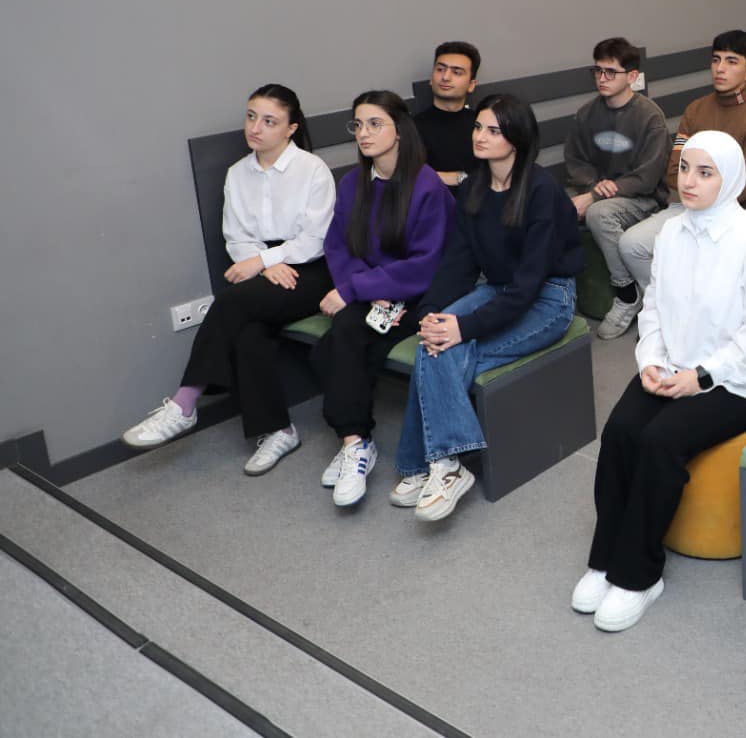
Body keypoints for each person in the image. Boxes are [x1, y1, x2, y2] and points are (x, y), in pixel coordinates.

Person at [575, 131, 746, 632]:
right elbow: (653, 306)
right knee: (619, 431)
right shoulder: (672, 232)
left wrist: (703, 377)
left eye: (705, 172)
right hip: (674, 364)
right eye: (684, 169)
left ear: (730, 178)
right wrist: (650, 360)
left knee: (660, 440)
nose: (688, 181)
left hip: (744, 379)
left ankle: (639, 576)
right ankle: (605, 558)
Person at [122, 85, 336, 473]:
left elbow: (315, 240)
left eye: (269, 121)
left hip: (312, 269)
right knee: (248, 330)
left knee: (231, 302)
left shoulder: (312, 169)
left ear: (291, 128)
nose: (255, 127)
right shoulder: (237, 174)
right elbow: (236, 237)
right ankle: (279, 430)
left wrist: (264, 260)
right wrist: (263, 265)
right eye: (251, 116)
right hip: (264, 269)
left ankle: (185, 402)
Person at [390, 95, 582, 522]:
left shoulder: (541, 190)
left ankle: (429, 463)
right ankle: (443, 464)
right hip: (498, 290)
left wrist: (463, 327)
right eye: (478, 127)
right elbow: (458, 263)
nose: (480, 136)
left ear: (517, 138)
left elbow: (528, 287)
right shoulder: (473, 187)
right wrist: (432, 311)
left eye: (493, 130)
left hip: (548, 298)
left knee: (448, 346)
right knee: (435, 340)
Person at [312, 90, 455, 507]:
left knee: (339, 341)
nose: (364, 133)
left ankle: (354, 442)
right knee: (334, 347)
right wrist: (365, 289)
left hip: (418, 298)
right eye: (358, 124)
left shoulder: (426, 186)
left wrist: (359, 290)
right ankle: (357, 441)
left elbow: (425, 265)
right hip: (371, 294)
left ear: (400, 130)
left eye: (375, 123)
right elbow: (338, 246)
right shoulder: (353, 183)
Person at [615, 30, 746, 330]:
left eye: (731, 61)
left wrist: (696, 190)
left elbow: (740, 189)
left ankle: (718, 321)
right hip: (690, 206)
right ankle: (673, 311)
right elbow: (673, 172)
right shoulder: (695, 110)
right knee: (631, 245)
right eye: (716, 60)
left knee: (717, 255)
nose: (720, 68)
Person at [563, 37, 670, 341]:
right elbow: (575, 160)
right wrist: (592, 185)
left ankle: (626, 294)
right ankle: (564, 298)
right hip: (601, 191)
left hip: (645, 198)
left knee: (598, 213)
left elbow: (647, 178)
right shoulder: (586, 114)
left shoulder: (650, 117)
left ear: (632, 77)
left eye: (611, 72)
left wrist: (595, 195)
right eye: (597, 71)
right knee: (556, 205)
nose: (602, 78)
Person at [414, 41, 481, 189]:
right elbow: (407, 176)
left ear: (471, 85)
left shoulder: (482, 125)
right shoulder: (411, 127)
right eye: (440, 69)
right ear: (431, 78)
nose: (445, 77)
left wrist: (460, 178)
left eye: (456, 72)